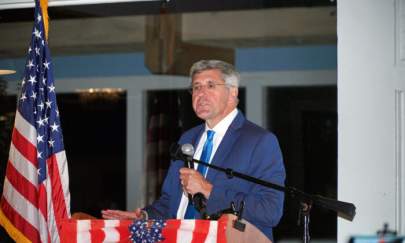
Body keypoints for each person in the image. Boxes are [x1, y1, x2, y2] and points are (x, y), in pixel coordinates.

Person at [102, 59, 286, 241]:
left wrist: (209, 190)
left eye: (210, 85)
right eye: (196, 87)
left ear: (232, 93)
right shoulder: (188, 139)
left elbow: (270, 211)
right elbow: (170, 203)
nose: (201, 94)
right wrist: (144, 217)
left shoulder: (259, 141)